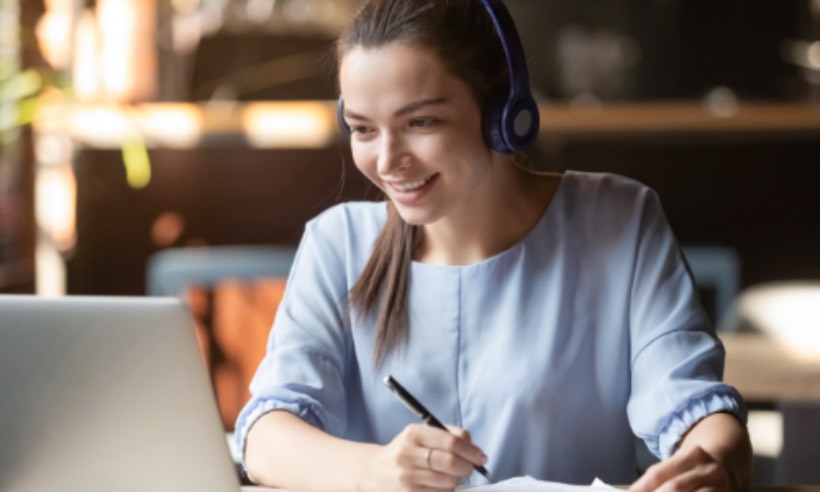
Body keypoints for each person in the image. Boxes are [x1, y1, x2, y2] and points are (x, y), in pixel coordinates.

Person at [235, 0, 752, 491]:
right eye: (364, 129)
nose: (388, 161)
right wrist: (377, 471)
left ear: (502, 110)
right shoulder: (338, 242)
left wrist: (713, 467)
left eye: (420, 122)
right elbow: (264, 439)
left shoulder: (620, 219)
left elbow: (698, 412)